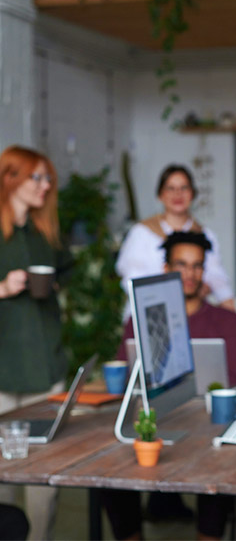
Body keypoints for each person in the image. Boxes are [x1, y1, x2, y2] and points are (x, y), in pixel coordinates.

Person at [104, 231, 236, 540]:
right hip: (155, 418)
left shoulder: (228, 321)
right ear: (166, 269)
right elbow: (129, 376)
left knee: (219, 462)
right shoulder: (139, 320)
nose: (190, 274)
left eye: (197, 266)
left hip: (206, 422)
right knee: (110, 469)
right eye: (181, 265)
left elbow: (233, 379)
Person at [0, 145, 72, 541]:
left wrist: (55, 282)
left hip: (47, 368)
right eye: (37, 177)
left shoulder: (46, 234)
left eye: (48, 178)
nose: (46, 186)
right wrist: (3, 288)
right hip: (4, 372)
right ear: (11, 178)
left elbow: (66, 269)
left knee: (46, 479)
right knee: (4, 481)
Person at [116, 164, 235, 313]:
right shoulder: (142, 233)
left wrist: (227, 305)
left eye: (184, 188)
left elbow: (217, 278)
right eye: (170, 188)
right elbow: (131, 280)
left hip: (191, 314)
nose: (177, 194)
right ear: (160, 195)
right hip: (147, 312)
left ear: (192, 194)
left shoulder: (204, 235)